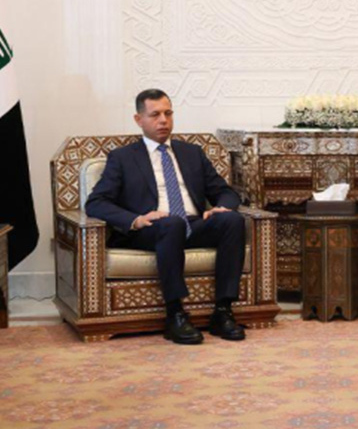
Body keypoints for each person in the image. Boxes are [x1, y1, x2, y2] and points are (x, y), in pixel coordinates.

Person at [86, 89, 247, 345]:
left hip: (191, 224)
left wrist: (222, 207)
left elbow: (225, 192)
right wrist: (136, 219)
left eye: (168, 113)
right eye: (155, 115)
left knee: (232, 220)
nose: (163, 120)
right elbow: (96, 203)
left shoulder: (192, 153)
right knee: (171, 223)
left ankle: (223, 311)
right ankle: (175, 314)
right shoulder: (123, 158)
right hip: (151, 229)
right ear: (139, 120)